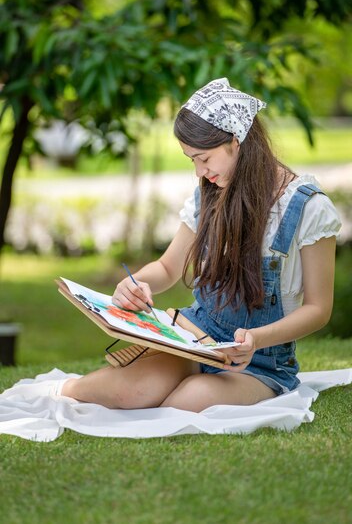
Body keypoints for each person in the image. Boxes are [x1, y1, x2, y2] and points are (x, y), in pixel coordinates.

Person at [61, 78, 341, 412]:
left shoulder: (307, 207)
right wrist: (136, 284)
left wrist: (256, 340)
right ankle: (67, 388)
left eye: (203, 158)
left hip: (259, 362)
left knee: (185, 403)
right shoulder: (208, 194)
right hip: (192, 338)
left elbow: (318, 309)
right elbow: (167, 267)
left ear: (235, 142)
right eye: (191, 159)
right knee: (120, 393)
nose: (199, 170)